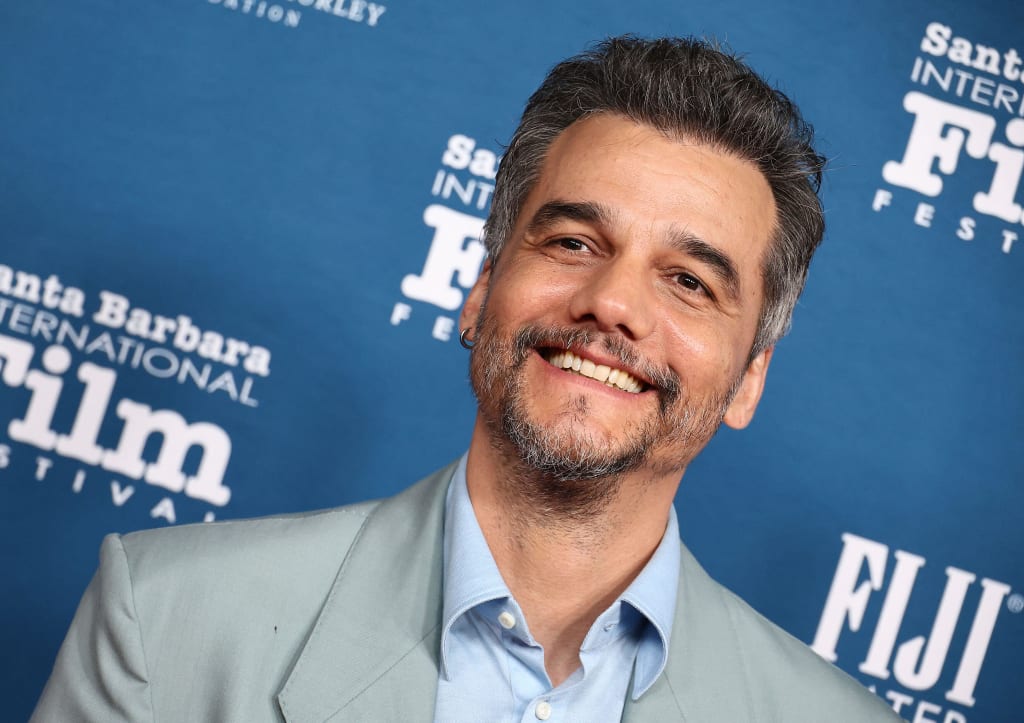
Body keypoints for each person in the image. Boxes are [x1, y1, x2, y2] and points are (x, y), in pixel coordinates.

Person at [32, 36, 903, 722]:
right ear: (482, 290)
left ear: (749, 379)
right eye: (573, 242)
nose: (612, 303)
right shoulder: (165, 619)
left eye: (688, 281)